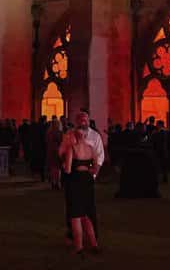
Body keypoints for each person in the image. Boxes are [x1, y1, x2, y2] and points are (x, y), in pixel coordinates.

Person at [59, 109, 102, 256]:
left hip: (75, 181)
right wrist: (89, 171)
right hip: (87, 181)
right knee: (87, 214)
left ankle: (78, 246)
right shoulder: (91, 148)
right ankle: (94, 243)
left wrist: (66, 167)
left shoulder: (73, 148)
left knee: (76, 216)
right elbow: (95, 167)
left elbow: (68, 169)